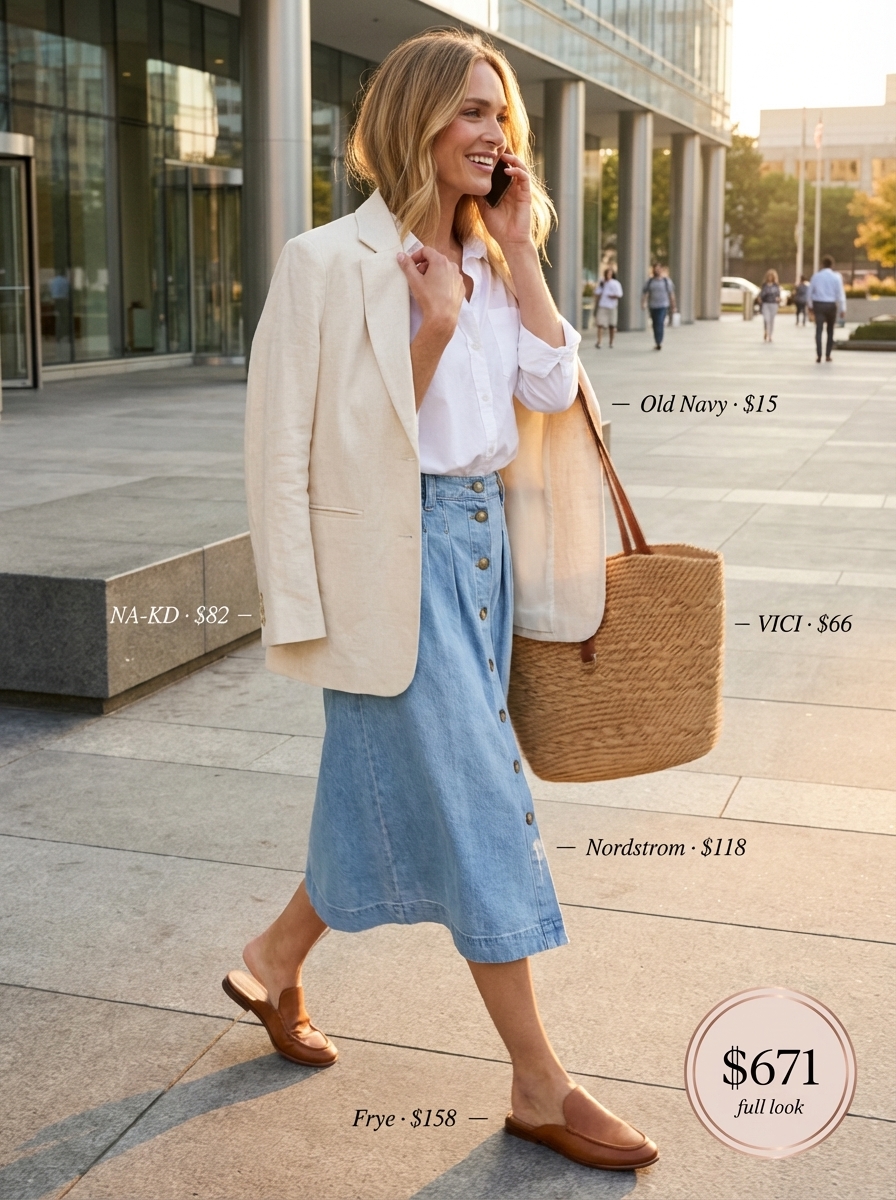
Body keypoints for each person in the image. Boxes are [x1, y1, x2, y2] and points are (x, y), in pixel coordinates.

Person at [233, 29, 658, 1174]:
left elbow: (552, 391)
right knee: (476, 803)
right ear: (417, 118)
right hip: (393, 557)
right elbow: (307, 452)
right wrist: (424, 330)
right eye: (473, 111)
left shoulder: (486, 248)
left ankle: (272, 961)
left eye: (502, 117)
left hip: (483, 549)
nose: (494, 134)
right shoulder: (326, 262)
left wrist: (517, 259)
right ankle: (538, 1083)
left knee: (385, 790)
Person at [808, 255, 846, 362]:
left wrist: (810, 306)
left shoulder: (816, 276)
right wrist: (842, 308)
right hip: (831, 305)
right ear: (832, 265)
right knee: (830, 330)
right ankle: (828, 354)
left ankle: (819, 354)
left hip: (819, 304)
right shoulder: (836, 277)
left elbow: (809, 292)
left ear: (822, 264)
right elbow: (840, 294)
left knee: (818, 330)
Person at [641, 263, 676, 349]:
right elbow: (645, 293)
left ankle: (659, 342)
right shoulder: (650, 281)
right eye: (655, 269)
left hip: (663, 305)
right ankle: (657, 341)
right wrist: (643, 303)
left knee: (660, 323)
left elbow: (671, 294)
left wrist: (673, 306)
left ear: (661, 270)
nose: (657, 270)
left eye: (658, 269)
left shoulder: (666, 281)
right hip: (653, 306)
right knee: (655, 324)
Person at [593, 267, 622, 348]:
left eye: (610, 274)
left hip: (612, 306)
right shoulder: (602, 282)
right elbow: (597, 292)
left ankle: (611, 342)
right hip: (603, 305)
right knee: (600, 324)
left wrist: (613, 296)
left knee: (612, 325)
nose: (608, 275)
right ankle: (599, 342)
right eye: (607, 274)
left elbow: (619, 294)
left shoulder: (615, 283)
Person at [758, 270, 781, 342]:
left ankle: (770, 335)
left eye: (772, 276)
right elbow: (761, 293)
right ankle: (766, 331)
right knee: (766, 319)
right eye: (769, 276)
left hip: (773, 304)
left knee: (771, 320)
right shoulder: (764, 285)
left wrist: (778, 299)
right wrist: (760, 299)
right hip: (766, 303)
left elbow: (778, 295)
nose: (770, 277)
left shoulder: (776, 285)